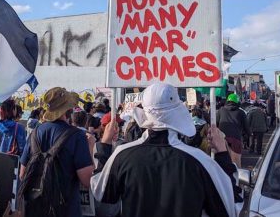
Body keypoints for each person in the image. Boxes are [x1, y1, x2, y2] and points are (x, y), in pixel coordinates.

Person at [91, 83, 241, 217]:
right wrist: (222, 153)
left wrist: (104, 144)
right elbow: (229, 207)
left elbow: (100, 192)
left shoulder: (122, 155)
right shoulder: (200, 161)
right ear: (178, 112)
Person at [19, 87, 94, 217]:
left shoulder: (35, 133)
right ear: (68, 110)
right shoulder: (77, 136)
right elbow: (87, 180)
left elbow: (22, 174)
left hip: (35, 209)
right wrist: (91, 147)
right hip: (65, 210)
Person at [217, 93, 252, 167]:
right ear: (237, 102)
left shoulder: (221, 110)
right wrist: (249, 134)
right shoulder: (241, 112)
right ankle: (236, 177)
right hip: (236, 139)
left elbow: (215, 124)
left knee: (221, 162)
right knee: (236, 163)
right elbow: (246, 127)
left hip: (222, 139)